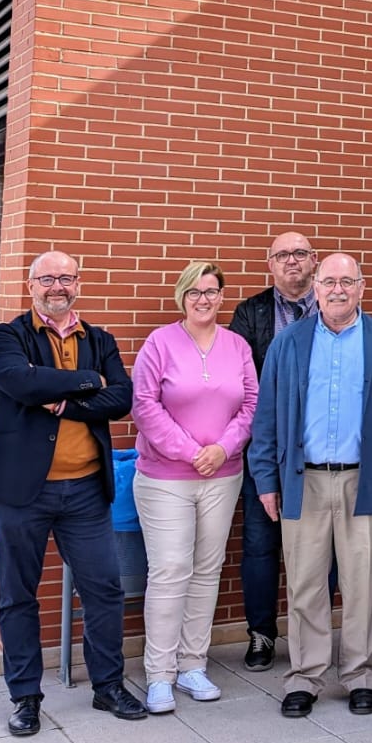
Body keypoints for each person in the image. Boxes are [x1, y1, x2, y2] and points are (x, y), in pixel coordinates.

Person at [0, 250, 147, 735]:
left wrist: (64, 400)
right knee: (17, 595)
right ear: (31, 285)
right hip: (18, 493)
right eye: (47, 278)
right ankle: (25, 696)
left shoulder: (101, 339)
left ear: (78, 284)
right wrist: (90, 382)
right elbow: (18, 382)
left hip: (86, 491)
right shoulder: (5, 337)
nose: (58, 286)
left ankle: (107, 686)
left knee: (105, 589)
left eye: (66, 278)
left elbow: (122, 398)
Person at [248, 254, 372, 718]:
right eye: (329, 282)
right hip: (304, 481)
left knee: (362, 585)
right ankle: (306, 676)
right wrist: (266, 480)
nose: (338, 290)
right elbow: (267, 417)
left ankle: (360, 675)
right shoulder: (289, 343)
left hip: (366, 480)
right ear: (315, 287)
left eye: (347, 282)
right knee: (305, 585)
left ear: (362, 286)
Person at [131, 260, 257, 714]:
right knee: (169, 571)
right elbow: (144, 406)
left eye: (211, 291)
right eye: (194, 292)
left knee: (206, 571)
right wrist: (190, 452)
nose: (203, 299)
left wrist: (222, 449)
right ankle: (159, 675)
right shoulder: (159, 343)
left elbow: (251, 406)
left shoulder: (237, 345)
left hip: (223, 476)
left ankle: (191, 666)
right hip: (166, 478)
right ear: (182, 297)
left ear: (222, 297)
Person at [228, 231, 318, 670]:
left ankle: (312, 632)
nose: (291, 262)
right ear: (270, 264)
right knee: (261, 546)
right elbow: (239, 382)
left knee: (324, 548)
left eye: (300, 254)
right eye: (282, 255)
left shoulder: (335, 307)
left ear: (314, 261)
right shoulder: (251, 313)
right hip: (267, 448)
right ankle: (261, 633)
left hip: (323, 450)